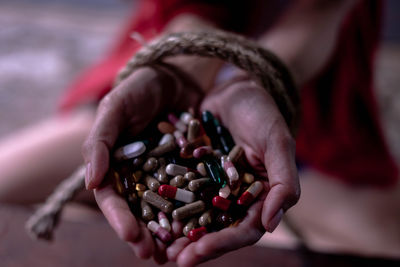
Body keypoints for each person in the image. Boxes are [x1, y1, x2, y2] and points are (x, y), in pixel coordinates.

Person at [0, 0, 399, 266]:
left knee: (385, 243)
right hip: (164, 94)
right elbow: (189, 13)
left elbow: (314, 22)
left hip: (304, 114)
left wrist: (252, 81)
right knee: (46, 165)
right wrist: (182, 69)